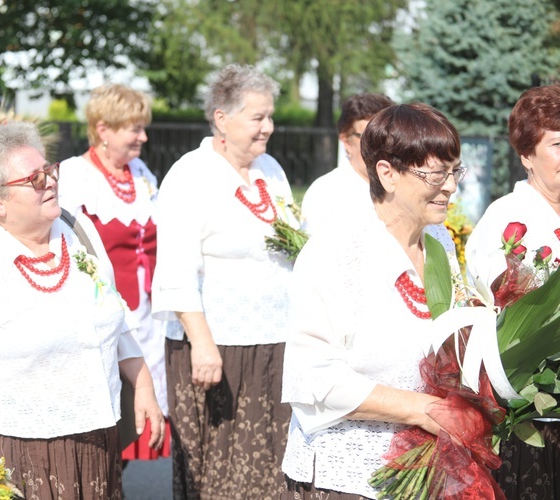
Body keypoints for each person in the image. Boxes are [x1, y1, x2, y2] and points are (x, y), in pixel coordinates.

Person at [0, 122, 164, 500]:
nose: (49, 182)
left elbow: (115, 316)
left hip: (95, 439)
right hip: (13, 448)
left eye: (49, 170)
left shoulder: (79, 234)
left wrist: (143, 386)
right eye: (33, 179)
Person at [282, 103, 467, 499]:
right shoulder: (336, 252)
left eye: (454, 171)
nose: (451, 186)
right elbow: (315, 379)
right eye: (436, 173)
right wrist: (424, 409)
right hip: (349, 478)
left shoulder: (439, 241)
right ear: (387, 173)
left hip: (426, 468)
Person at [152, 64, 293, 498]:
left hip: (274, 339)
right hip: (217, 346)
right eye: (257, 117)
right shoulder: (190, 174)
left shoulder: (270, 169)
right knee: (222, 469)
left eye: (270, 116)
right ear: (221, 119)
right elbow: (175, 267)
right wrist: (202, 342)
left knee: (271, 462)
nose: (267, 127)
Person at [57, 83, 170, 462]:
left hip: (146, 313)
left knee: (137, 417)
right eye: (134, 129)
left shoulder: (140, 172)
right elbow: (63, 243)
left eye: (142, 127)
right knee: (105, 420)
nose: (144, 136)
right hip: (100, 311)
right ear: (103, 129)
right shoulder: (74, 174)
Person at [465, 85, 560, 499]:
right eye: (558, 144)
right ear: (526, 156)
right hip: (534, 416)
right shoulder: (505, 218)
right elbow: (501, 313)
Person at [301, 93, 455, 253]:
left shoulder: (414, 185)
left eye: (389, 135)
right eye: (368, 135)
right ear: (346, 141)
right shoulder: (326, 192)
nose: (382, 145)